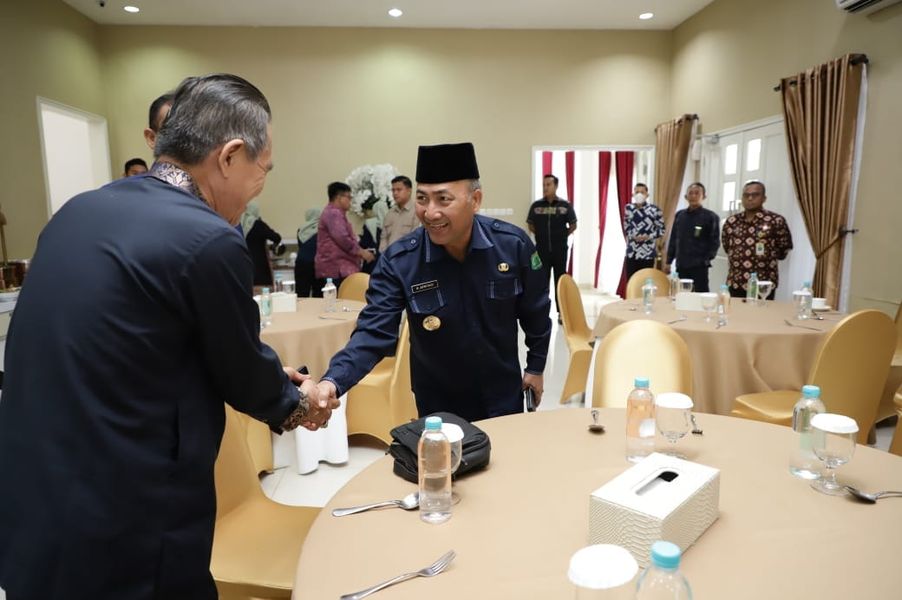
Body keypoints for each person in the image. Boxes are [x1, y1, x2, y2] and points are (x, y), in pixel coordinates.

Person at [0, 74, 334, 599]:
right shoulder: (207, 238)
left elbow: (145, 343)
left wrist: (267, 375)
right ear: (229, 156)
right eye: (262, 172)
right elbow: (246, 377)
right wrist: (300, 401)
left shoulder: (78, 210)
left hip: (38, 492)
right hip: (127, 509)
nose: (256, 190)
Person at [317, 142, 552, 422]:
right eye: (422, 199)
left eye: (443, 199)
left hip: (501, 393)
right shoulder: (399, 261)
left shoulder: (512, 246)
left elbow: (536, 312)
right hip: (438, 403)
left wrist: (535, 367)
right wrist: (332, 382)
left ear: (475, 200)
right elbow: (373, 334)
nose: (430, 213)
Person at [721, 180, 793, 298]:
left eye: (755, 195)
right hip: (736, 282)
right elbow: (727, 247)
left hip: (763, 284)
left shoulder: (776, 221)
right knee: (735, 316)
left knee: (762, 315)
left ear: (764, 198)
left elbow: (783, 250)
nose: (750, 198)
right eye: (746, 195)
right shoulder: (732, 222)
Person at [526, 174, 577, 322]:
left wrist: (561, 236)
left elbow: (573, 225)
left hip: (560, 249)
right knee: (542, 281)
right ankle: (541, 312)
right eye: (544, 185)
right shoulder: (536, 206)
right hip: (541, 250)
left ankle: (562, 313)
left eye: (548, 184)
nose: (545, 187)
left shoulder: (565, 206)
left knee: (560, 281)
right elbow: (530, 225)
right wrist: (541, 235)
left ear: (555, 186)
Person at [315, 181, 375, 290]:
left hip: (338, 269)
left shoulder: (334, 213)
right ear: (339, 197)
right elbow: (343, 239)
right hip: (336, 269)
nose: (350, 201)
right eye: (349, 197)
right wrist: (362, 253)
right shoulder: (334, 213)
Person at [665, 182, 720, 292]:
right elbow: (674, 239)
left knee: (701, 294)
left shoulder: (711, 216)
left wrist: (706, 258)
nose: (693, 196)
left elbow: (714, 242)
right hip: (682, 264)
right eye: (690, 193)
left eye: (697, 193)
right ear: (686, 196)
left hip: (700, 266)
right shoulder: (680, 215)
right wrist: (668, 261)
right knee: (683, 295)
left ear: (703, 196)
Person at [623, 183, 664, 279]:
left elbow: (661, 230)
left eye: (642, 192)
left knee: (645, 281)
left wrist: (648, 236)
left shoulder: (655, 210)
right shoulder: (629, 208)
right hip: (632, 252)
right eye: (637, 192)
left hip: (647, 253)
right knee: (631, 281)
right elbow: (626, 227)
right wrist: (633, 236)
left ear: (647, 195)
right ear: (633, 194)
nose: (639, 194)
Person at [240, 199, 284, 287]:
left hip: (243, 261)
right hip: (259, 263)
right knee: (261, 290)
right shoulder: (258, 224)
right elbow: (276, 237)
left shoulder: (240, 223)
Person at [379, 175, 419, 251]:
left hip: (407, 257)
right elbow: (383, 238)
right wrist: (384, 255)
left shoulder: (417, 211)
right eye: (393, 190)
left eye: (399, 190)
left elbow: (416, 239)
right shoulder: (390, 213)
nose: (395, 193)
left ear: (409, 191)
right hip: (388, 258)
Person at [295, 207, 322, 297]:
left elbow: (301, 246)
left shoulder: (301, 230)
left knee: (301, 293)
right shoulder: (322, 229)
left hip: (301, 263)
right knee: (319, 293)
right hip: (318, 264)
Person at [359, 198, 389, 275]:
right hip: (388, 260)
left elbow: (364, 243)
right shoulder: (393, 223)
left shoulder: (369, 223)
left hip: (373, 259)